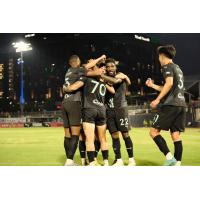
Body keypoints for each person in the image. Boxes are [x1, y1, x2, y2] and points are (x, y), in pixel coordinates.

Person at [64, 62, 119, 166]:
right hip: (102, 110)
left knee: (89, 139)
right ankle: (106, 162)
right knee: (103, 139)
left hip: (89, 109)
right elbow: (113, 90)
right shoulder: (103, 81)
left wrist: (66, 88)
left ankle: (92, 163)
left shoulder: (86, 78)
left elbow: (73, 87)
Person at [146, 45, 186, 166]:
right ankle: (177, 163)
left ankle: (170, 158)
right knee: (175, 135)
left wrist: (157, 100)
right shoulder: (177, 68)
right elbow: (169, 87)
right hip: (181, 104)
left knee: (153, 132)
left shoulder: (166, 66)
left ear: (162, 56)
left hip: (171, 105)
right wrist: (153, 86)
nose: (159, 59)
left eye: (159, 56)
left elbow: (169, 84)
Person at [62, 54, 106, 166]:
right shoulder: (80, 71)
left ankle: (69, 160)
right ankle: (70, 161)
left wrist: (65, 89)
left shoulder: (69, 71)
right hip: (75, 103)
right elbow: (92, 71)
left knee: (67, 134)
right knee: (76, 135)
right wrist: (100, 59)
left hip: (65, 103)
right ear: (77, 62)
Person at [105, 58, 136, 166]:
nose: (110, 68)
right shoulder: (106, 78)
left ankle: (131, 159)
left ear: (115, 67)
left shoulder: (120, 75)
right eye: (108, 66)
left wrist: (126, 77)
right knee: (114, 135)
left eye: (112, 66)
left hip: (121, 109)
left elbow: (117, 81)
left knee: (125, 134)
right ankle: (118, 160)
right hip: (109, 110)